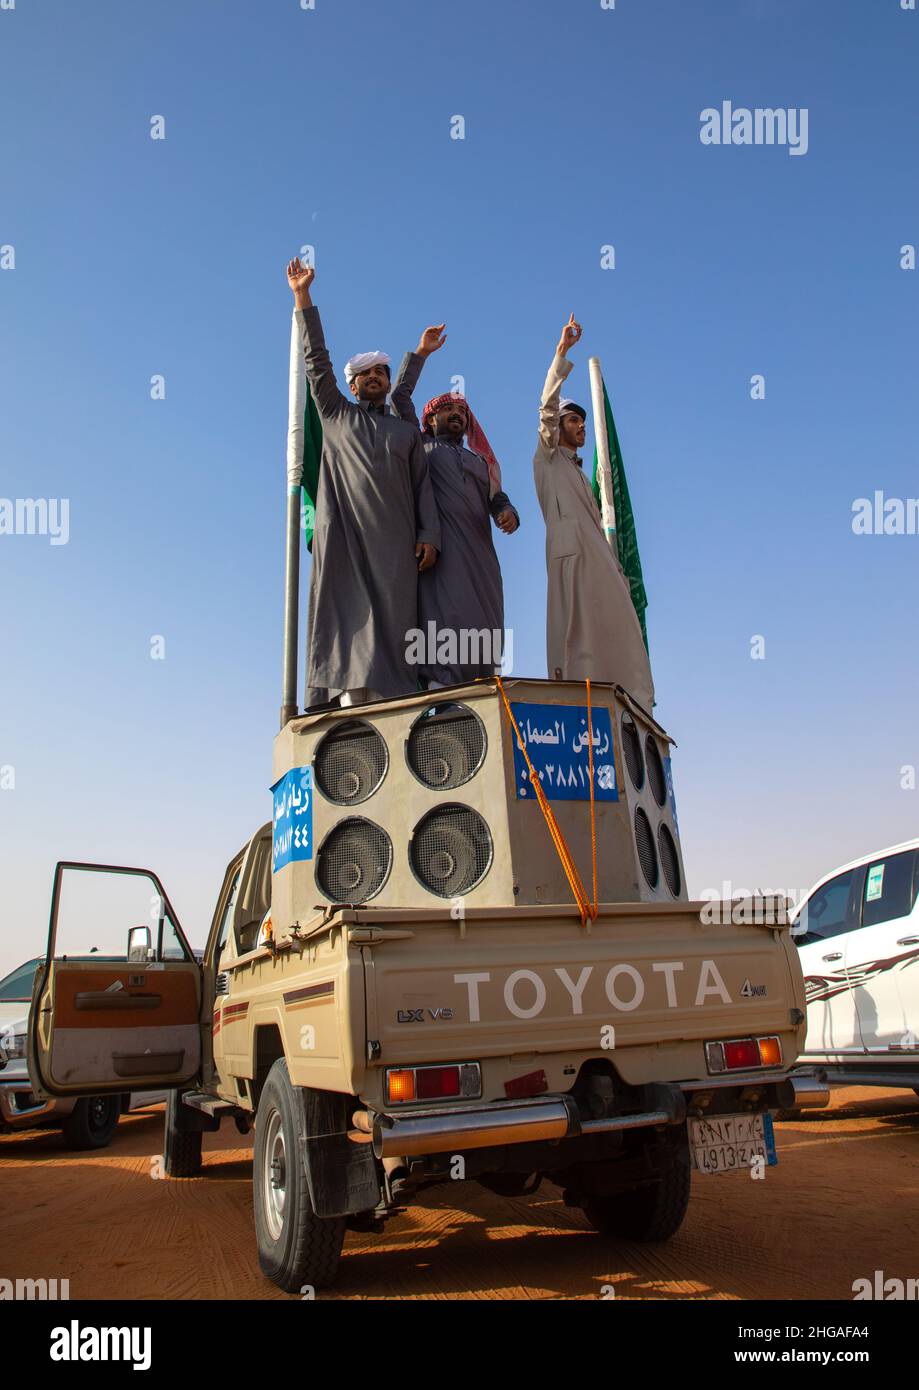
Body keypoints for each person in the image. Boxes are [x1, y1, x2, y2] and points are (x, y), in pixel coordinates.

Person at [286, 258, 441, 707]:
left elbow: (422, 488)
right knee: (345, 620)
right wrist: (302, 297)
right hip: (346, 541)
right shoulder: (335, 415)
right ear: (353, 387)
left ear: (388, 383)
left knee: (396, 627)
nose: (373, 378)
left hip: (395, 545)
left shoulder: (406, 432)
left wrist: (429, 534)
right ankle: (342, 703)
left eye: (381, 374)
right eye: (365, 375)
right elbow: (317, 361)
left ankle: (397, 705)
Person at [532, 314, 655, 710]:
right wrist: (561, 353)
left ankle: (630, 698)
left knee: (616, 628)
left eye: (584, 422)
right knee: (576, 637)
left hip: (597, 558)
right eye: (574, 420)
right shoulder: (547, 459)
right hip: (572, 558)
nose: (581, 427)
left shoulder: (581, 475)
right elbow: (546, 408)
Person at [394, 327, 519, 686]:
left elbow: (497, 498)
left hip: (481, 556)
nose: (456, 415)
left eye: (461, 412)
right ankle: (441, 686)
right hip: (442, 552)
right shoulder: (421, 448)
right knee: (444, 620)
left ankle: (482, 684)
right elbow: (400, 396)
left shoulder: (479, 461)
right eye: (446, 410)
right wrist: (421, 353)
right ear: (429, 421)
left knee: (486, 621)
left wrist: (507, 512)